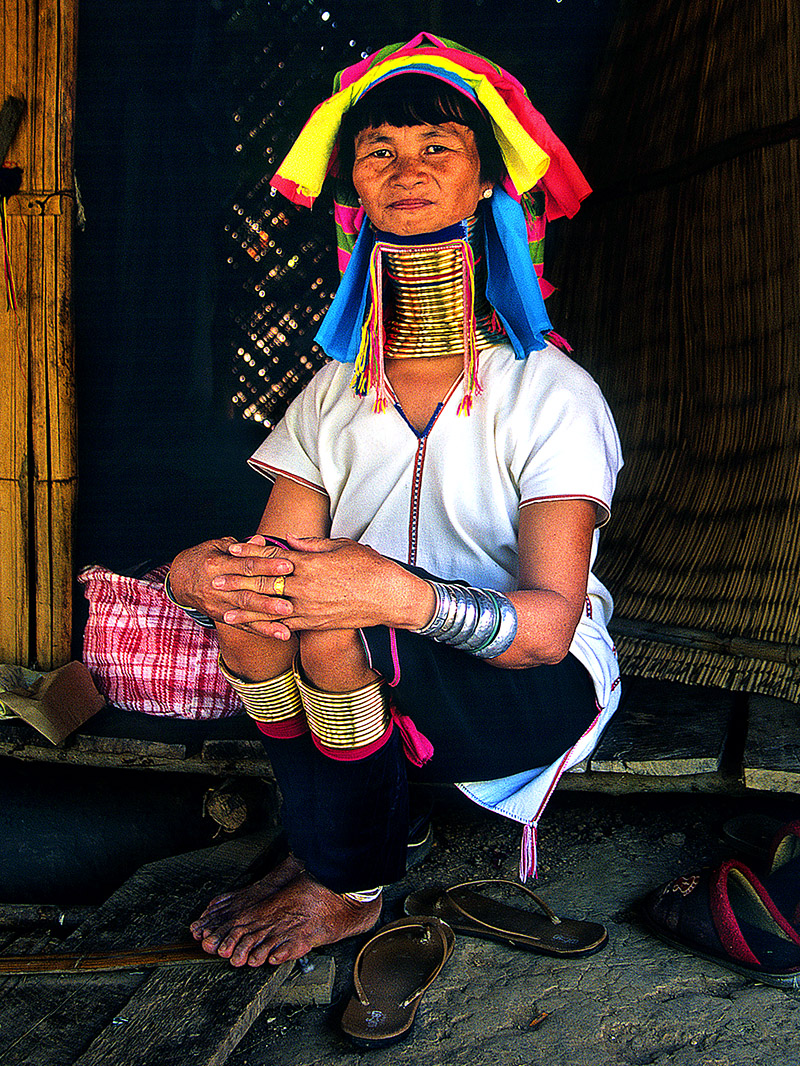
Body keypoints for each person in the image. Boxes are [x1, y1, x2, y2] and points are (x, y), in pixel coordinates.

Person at [167, 32, 623, 969]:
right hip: (385, 658)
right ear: (357, 197)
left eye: (436, 148)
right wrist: (190, 577)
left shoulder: (550, 393)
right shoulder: (332, 394)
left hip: (532, 683)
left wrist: (392, 595)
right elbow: (275, 566)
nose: (405, 168)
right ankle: (329, 844)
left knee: (338, 632)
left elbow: (543, 630)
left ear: (488, 190)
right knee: (256, 619)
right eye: (380, 151)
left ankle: (348, 882)